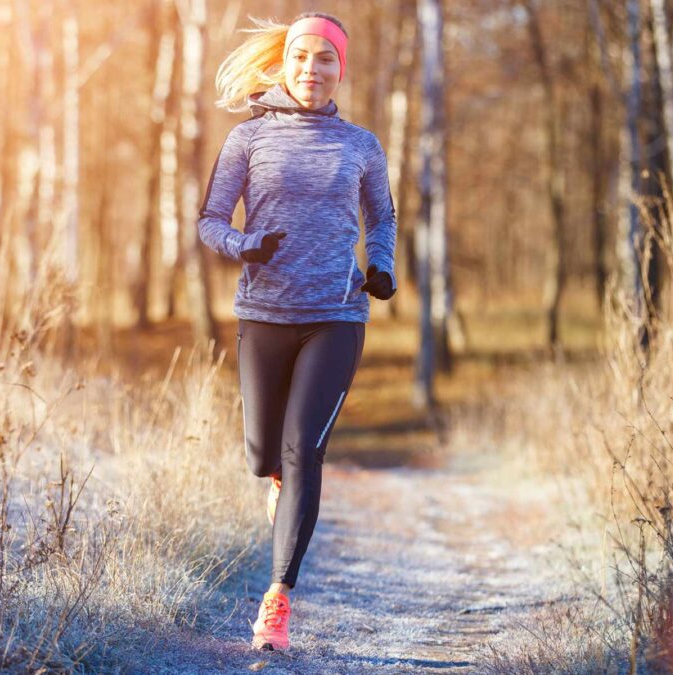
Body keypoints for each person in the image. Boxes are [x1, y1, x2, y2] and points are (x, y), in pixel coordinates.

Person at [197, 11, 397, 652]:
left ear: (343, 68)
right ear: (285, 64)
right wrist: (245, 245)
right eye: (303, 58)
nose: (314, 70)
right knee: (265, 456)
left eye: (327, 60)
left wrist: (382, 267)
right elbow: (209, 221)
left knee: (302, 450)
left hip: (336, 316)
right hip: (264, 315)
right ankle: (282, 486)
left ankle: (277, 602)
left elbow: (382, 219)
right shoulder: (247, 140)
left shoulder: (360, 144)